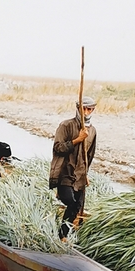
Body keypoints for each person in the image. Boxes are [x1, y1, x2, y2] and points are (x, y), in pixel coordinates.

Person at [49, 97, 97, 238]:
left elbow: (89, 155)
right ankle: (60, 235)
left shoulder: (92, 131)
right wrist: (77, 140)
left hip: (80, 175)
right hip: (65, 173)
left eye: (89, 109)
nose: (86, 112)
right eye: (83, 109)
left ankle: (63, 235)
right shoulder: (66, 125)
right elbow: (58, 148)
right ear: (78, 108)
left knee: (77, 206)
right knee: (70, 201)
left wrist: (86, 174)